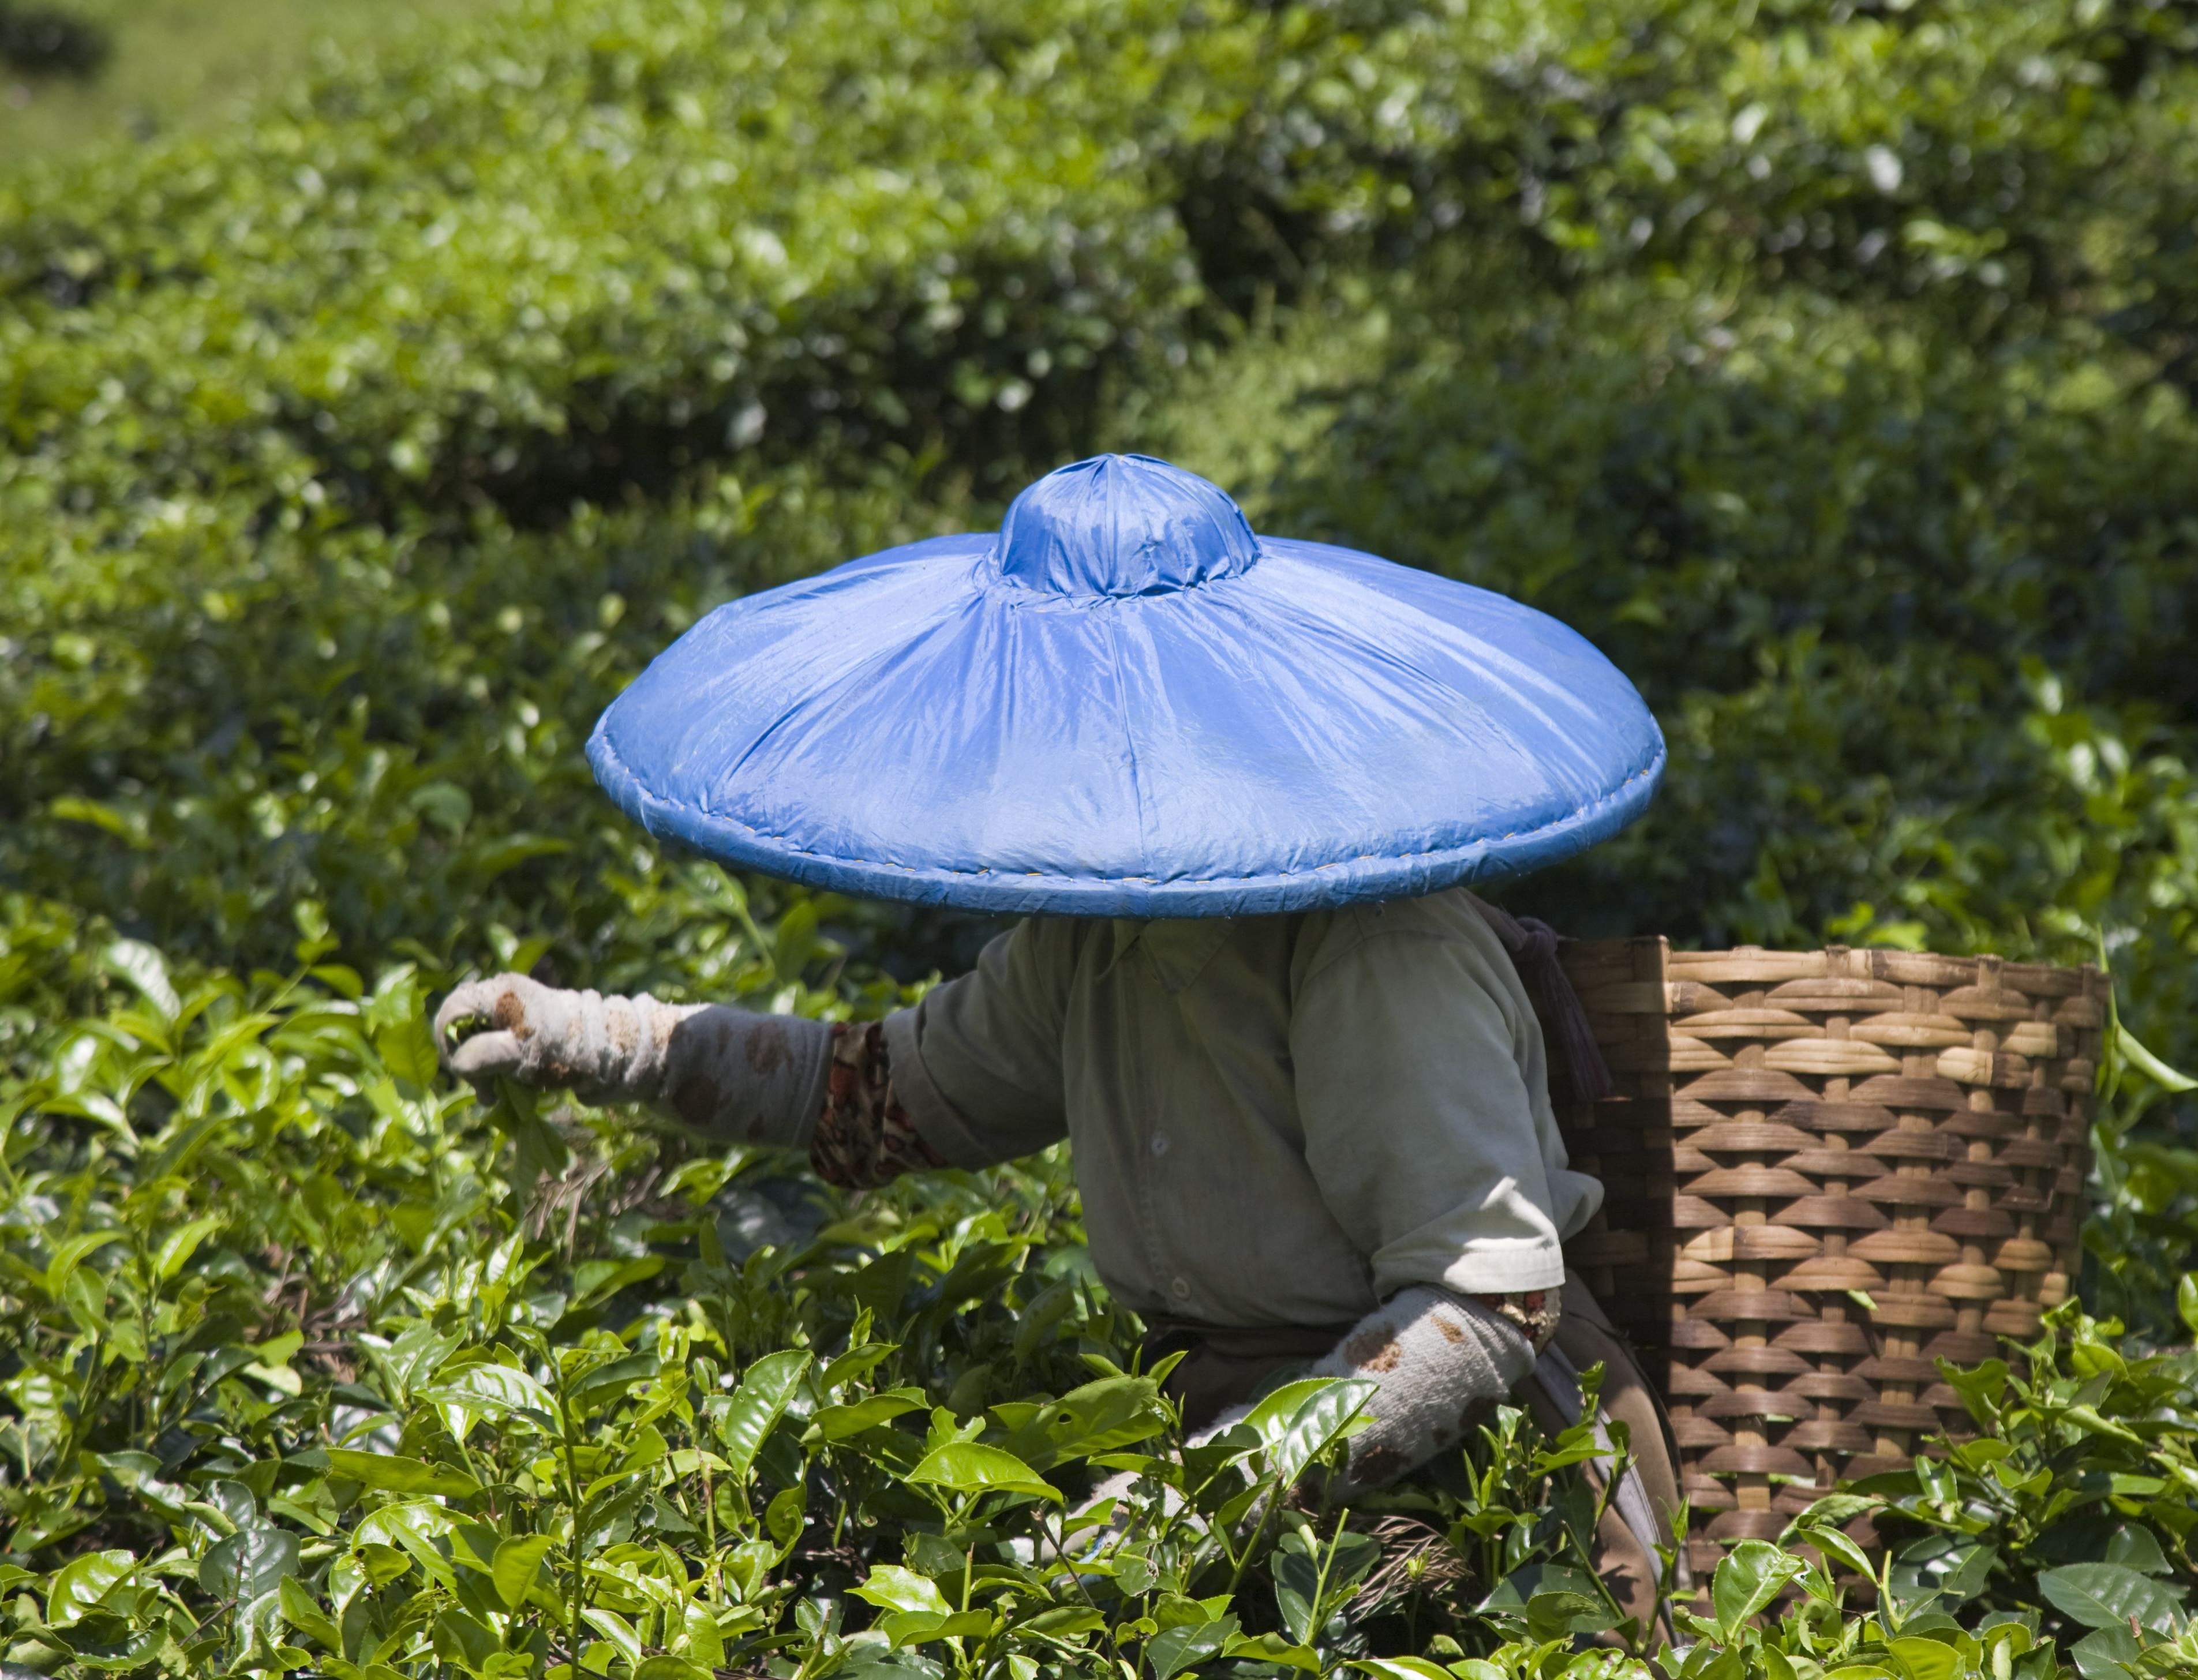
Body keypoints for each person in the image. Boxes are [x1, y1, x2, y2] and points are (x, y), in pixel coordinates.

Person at [434, 455, 1683, 1637]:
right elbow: (880, 1096)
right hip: (1234, 1439)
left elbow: (1487, 1303)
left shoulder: (1373, 950)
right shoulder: (1097, 941)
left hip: (1481, 1470)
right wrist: (593, 1039)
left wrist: (1202, 1506)